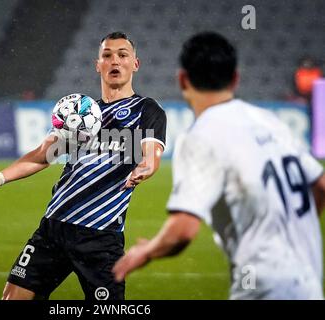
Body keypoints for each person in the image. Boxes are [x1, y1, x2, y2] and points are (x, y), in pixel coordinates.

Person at [113, 32, 325, 300]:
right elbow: (320, 185)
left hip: (265, 288)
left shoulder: (201, 135)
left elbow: (184, 229)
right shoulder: (270, 121)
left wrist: (146, 251)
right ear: (236, 78)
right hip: (310, 284)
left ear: (182, 79)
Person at [0, 31, 167, 300]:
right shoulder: (81, 112)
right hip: (53, 229)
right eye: (107, 55)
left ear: (135, 64)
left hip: (101, 238)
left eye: (123, 55)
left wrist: (145, 167)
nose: (115, 60)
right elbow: (43, 154)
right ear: (98, 64)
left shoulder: (146, 110)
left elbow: (152, 153)